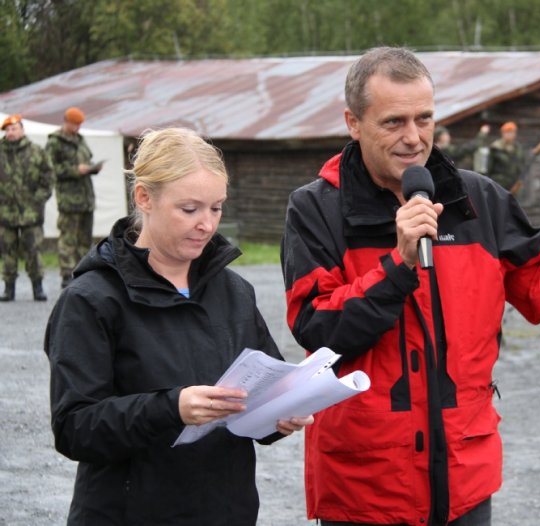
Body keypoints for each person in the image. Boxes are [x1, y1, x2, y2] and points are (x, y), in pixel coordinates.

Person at [281, 47, 540, 525]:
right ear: (353, 122)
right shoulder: (316, 209)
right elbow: (316, 328)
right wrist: (397, 266)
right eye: (394, 122)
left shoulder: (477, 200)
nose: (414, 138)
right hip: (366, 487)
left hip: (463, 479)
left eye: (424, 118)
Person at [45, 128, 313, 525]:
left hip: (227, 511)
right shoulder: (90, 299)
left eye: (216, 208)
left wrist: (279, 417)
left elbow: (262, 387)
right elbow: (74, 428)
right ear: (144, 198)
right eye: (189, 210)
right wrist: (172, 408)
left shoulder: (234, 291)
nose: (207, 224)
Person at [46, 107, 101, 289]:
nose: (78, 127)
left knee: (85, 240)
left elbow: (87, 159)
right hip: (69, 200)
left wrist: (92, 168)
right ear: (66, 121)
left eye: (80, 124)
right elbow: (49, 169)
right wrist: (75, 170)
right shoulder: (55, 142)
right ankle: (66, 275)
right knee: (68, 239)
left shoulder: (81, 140)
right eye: (75, 124)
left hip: (86, 199)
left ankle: (84, 272)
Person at [0, 113, 53, 301]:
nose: (10, 132)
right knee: (7, 251)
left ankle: (37, 287)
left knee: (33, 250)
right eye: (7, 130)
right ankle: (8, 288)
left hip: (31, 213)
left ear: (22, 130)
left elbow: (47, 179)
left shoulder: (36, 152)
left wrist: (36, 200)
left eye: (14, 129)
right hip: (5, 213)